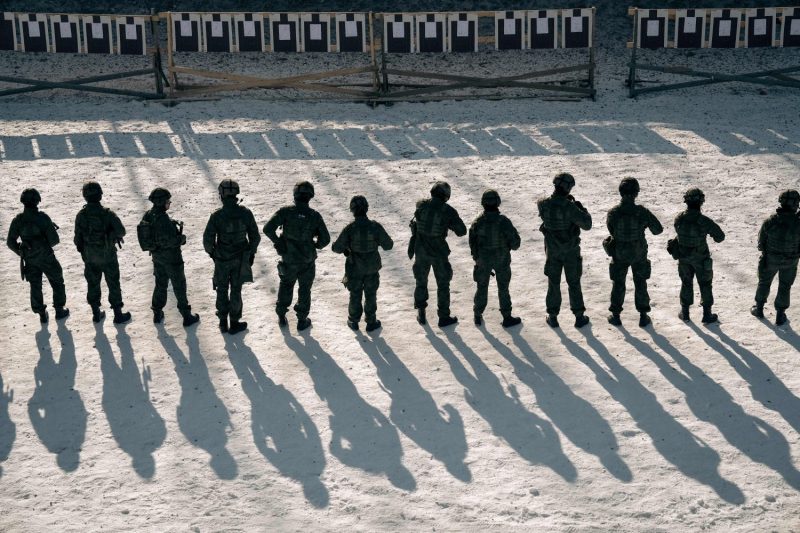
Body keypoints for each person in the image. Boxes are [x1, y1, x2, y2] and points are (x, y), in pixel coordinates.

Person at [263, 181, 329, 331]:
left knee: (286, 285)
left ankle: (281, 315)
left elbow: (268, 228)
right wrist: (315, 246)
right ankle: (302, 320)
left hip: (288, 259)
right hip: (307, 261)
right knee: (305, 289)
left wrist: (278, 243)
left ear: (295, 195)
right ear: (310, 196)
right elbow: (325, 239)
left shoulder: (285, 212)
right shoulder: (314, 216)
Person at [203, 179, 260, 334]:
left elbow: (208, 240)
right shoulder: (246, 213)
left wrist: (213, 254)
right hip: (240, 258)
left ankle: (222, 321)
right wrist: (251, 252)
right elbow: (255, 236)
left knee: (221, 289)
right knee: (236, 289)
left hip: (222, 258)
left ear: (221, 195)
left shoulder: (217, 216)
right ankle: (234, 322)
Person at [605, 177, 663, 328]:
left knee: (618, 283)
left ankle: (616, 315)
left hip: (619, 252)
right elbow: (658, 230)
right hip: (638, 252)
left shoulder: (613, 212)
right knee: (640, 283)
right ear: (636, 193)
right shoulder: (641, 212)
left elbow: (611, 230)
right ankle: (643, 316)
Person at [537, 172, 592, 328]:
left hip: (552, 251)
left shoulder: (543, 204)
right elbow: (587, 225)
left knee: (553, 283)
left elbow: (544, 207)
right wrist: (582, 209)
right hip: (570, 251)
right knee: (574, 283)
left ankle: (553, 315)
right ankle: (579, 316)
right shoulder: (571, 208)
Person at [137, 188, 199, 327]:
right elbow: (170, 240)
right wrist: (181, 239)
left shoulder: (148, 214)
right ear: (162, 202)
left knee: (160, 284)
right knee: (179, 285)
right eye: (167, 201)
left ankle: (157, 312)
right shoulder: (163, 219)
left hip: (157, 257)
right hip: (172, 259)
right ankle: (186, 315)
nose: (169, 203)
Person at [332, 195, 394, 332]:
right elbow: (388, 245)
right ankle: (371, 322)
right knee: (371, 294)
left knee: (355, 294)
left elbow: (336, 248)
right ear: (366, 208)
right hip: (372, 268)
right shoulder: (375, 227)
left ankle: (353, 321)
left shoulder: (350, 228)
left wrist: (345, 248)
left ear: (352, 210)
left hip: (354, 269)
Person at [6, 188, 69, 323]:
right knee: (57, 281)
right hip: (47, 257)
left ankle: (41, 313)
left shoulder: (18, 220)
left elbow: (10, 242)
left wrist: (22, 251)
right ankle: (59, 310)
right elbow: (54, 240)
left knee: (35, 285)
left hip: (30, 260)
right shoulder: (43, 218)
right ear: (37, 201)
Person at [409, 181, 466, 327]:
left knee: (421, 281)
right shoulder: (448, 211)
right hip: (438, 252)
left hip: (420, 250)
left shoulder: (421, 205)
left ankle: (421, 313)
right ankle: (444, 317)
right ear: (446, 196)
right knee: (443, 284)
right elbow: (462, 231)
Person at [74, 181, 130, 324]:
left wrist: (85, 253)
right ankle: (118, 314)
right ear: (100, 195)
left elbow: (77, 239)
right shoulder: (108, 214)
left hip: (90, 257)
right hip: (108, 255)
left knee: (93, 284)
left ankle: (96, 313)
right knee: (113, 283)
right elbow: (121, 231)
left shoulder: (81, 215)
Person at [469, 189, 521, 328]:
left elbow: (472, 243)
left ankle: (478, 314)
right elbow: (516, 243)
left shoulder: (477, 222)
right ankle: (507, 316)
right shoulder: (503, 222)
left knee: (481, 287)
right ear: (498, 202)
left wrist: (477, 258)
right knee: (503, 288)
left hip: (483, 260)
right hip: (502, 260)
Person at [671, 188, 725, 323]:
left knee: (686, 283)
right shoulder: (704, 221)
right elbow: (720, 237)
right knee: (705, 284)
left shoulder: (679, 218)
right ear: (701, 202)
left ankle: (685, 313)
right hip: (701, 259)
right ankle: (707, 314)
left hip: (684, 258)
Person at [751, 190, 800, 326]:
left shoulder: (771, 221)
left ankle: (759, 308)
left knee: (764, 282)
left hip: (770, 259)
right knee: (785, 287)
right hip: (790, 261)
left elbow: (761, 242)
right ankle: (780, 314)